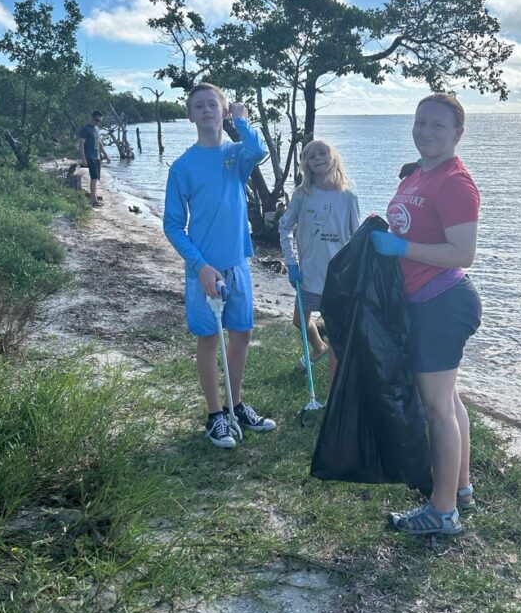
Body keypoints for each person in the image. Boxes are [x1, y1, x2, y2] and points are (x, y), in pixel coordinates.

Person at [371, 93, 482, 537]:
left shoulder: (455, 183)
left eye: (437, 125)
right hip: (425, 302)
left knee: (437, 407)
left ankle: (442, 511)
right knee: (449, 401)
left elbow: (464, 252)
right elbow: (410, 222)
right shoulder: (419, 174)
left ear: (458, 133)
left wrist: (401, 248)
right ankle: (462, 489)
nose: (426, 131)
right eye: (420, 122)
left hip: (442, 302)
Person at [163, 83, 277, 449]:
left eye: (213, 104)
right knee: (209, 339)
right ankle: (215, 416)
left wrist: (241, 121)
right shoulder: (182, 167)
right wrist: (200, 266)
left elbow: (258, 149)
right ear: (190, 115)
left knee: (242, 333)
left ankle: (236, 405)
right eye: (199, 105)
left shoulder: (235, 155)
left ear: (223, 111)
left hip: (237, 263)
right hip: (203, 270)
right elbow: (172, 225)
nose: (206, 110)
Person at [279, 140, 360, 388]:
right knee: (299, 321)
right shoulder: (302, 195)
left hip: (337, 278)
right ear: (306, 164)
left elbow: (356, 237)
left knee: (338, 333)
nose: (318, 159)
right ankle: (318, 347)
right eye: (311, 156)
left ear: (333, 156)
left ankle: (334, 391)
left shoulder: (348, 196)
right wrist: (291, 263)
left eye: (322, 154)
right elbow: (285, 227)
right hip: (309, 273)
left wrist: (355, 273)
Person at [78, 109, 111, 207]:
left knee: (96, 178)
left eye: (99, 121)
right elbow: (81, 144)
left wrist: (106, 155)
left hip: (97, 156)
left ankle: (94, 196)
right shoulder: (86, 129)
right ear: (92, 118)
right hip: (90, 156)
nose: (97, 122)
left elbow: (99, 142)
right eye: (96, 120)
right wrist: (83, 158)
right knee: (94, 177)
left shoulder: (96, 129)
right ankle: (94, 200)